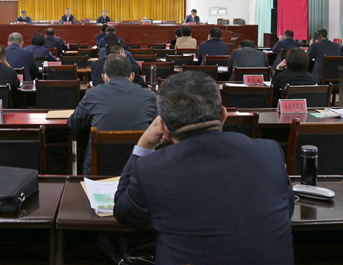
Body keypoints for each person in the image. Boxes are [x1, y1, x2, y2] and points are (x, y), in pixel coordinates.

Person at [113, 72, 294, 265]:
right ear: (223, 115)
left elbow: (124, 211)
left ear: (164, 128)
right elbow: (287, 207)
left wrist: (145, 144)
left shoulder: (152, 169)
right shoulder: (270, 152)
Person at [68, 54, 157, 175]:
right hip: (140, 171)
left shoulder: (92, 94)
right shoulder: (150, 96)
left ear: (104, 77)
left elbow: (73, 123)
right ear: (132, 76)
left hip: (99, 172)